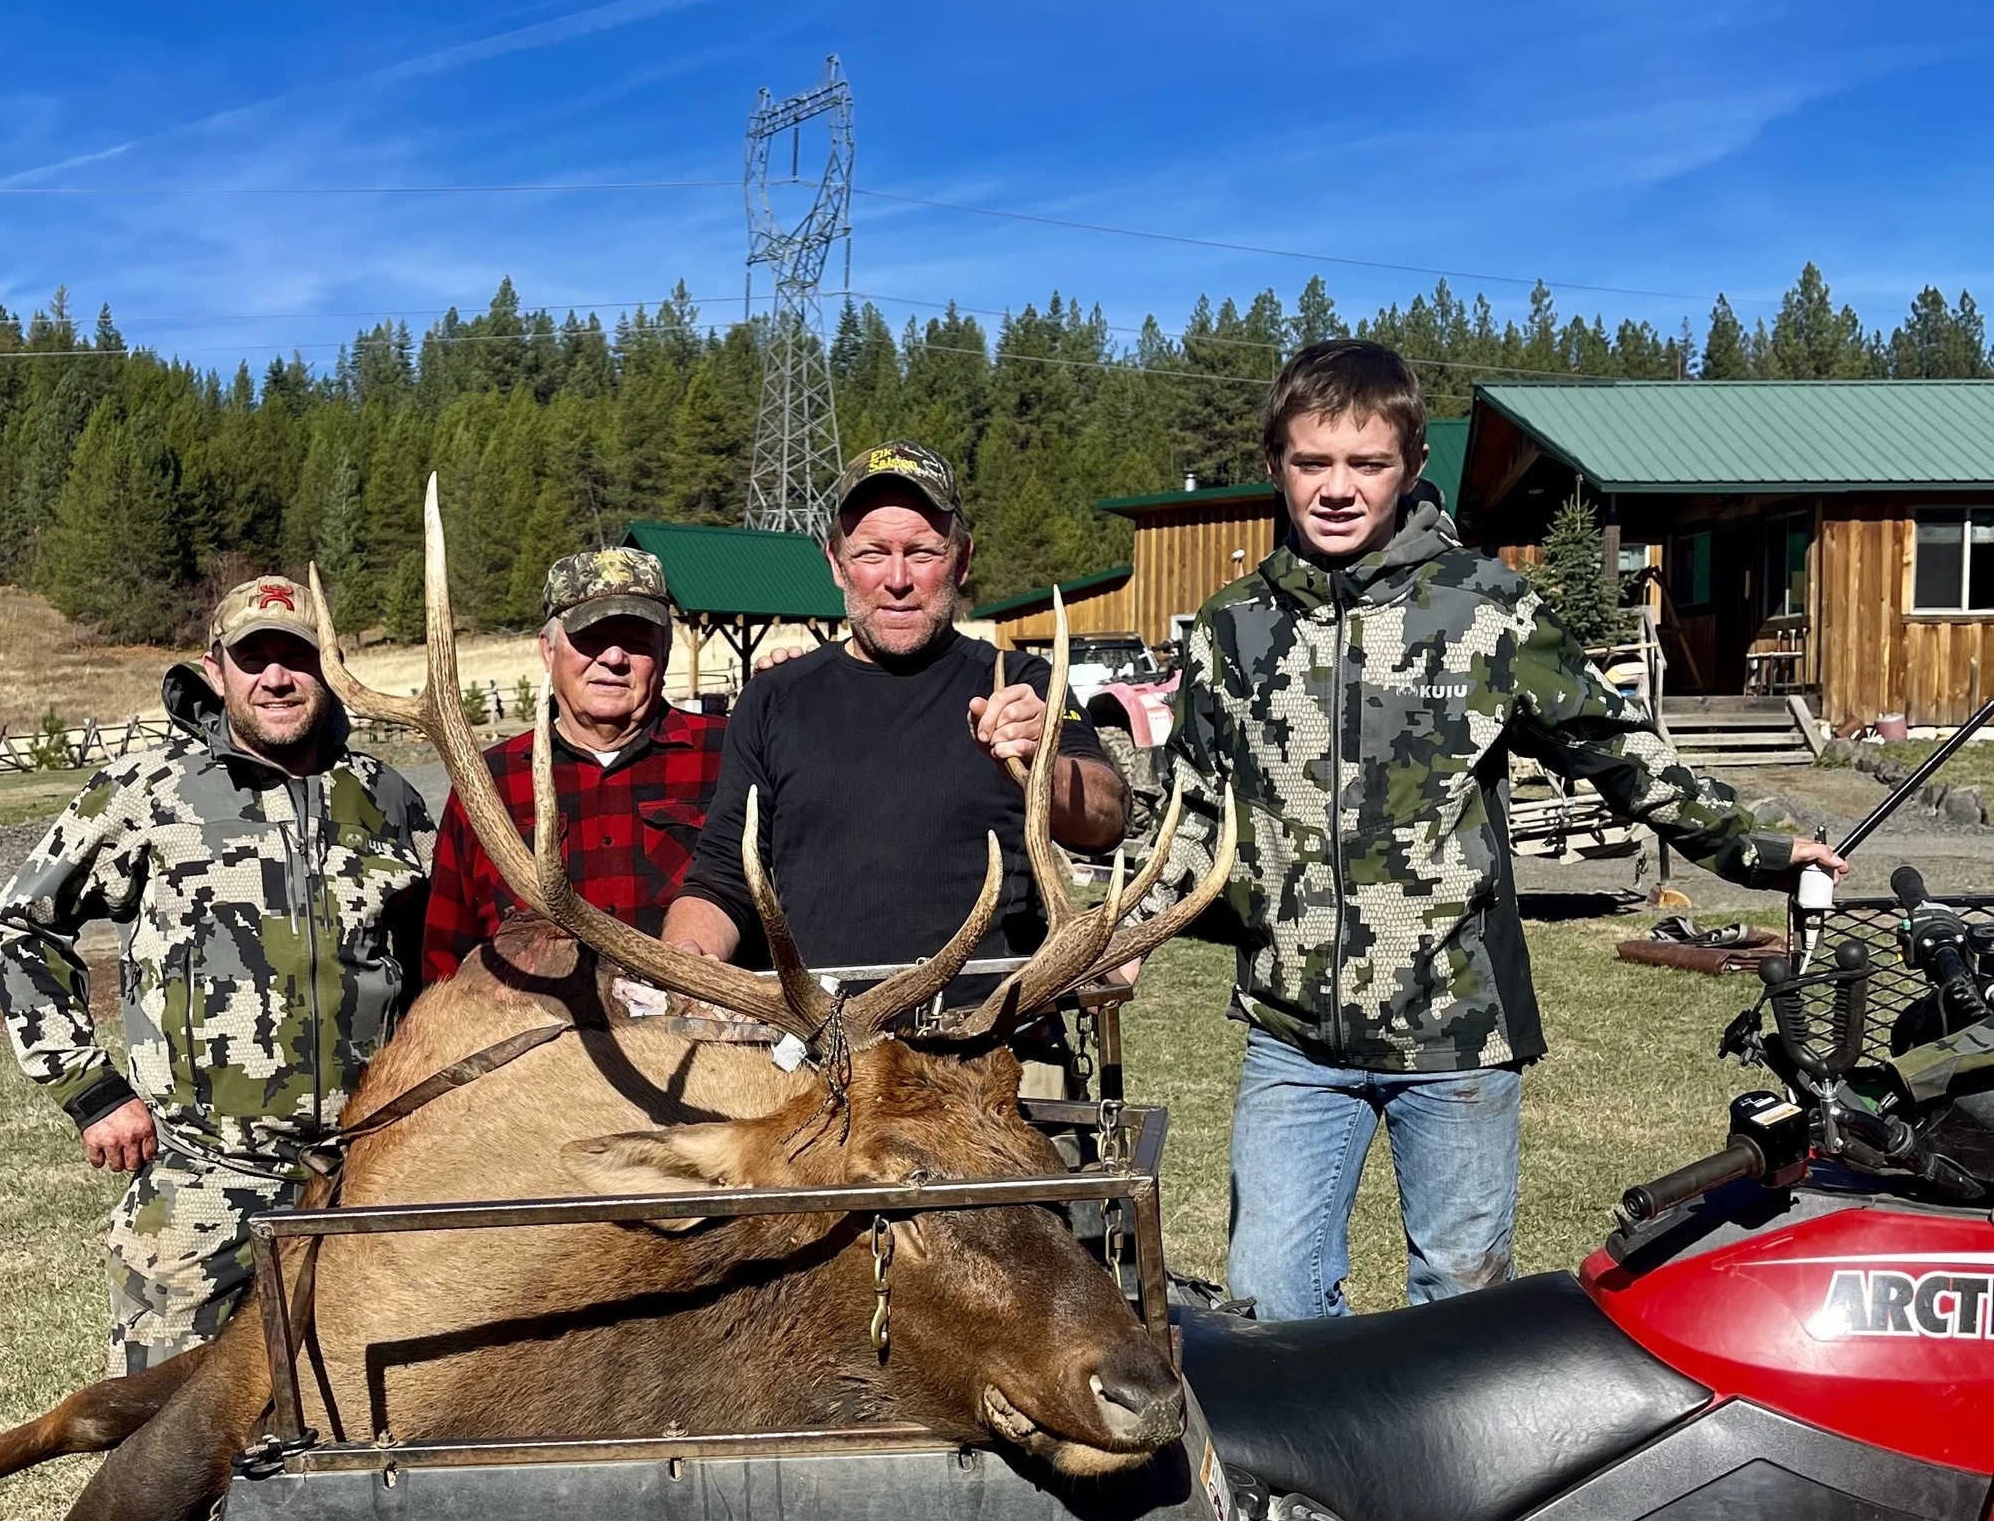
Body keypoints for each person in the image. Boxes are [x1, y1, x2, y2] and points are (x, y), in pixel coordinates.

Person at [1156, 340, 1847, 1320]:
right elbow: (1191, 809)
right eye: (1313, 461)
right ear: (1276, 464)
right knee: (1271, 1298)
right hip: (1293, 1037)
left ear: (1410, 466)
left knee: (1460, 1305)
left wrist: (1753, 848)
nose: (1338, 488)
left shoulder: (1486, 610)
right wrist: (1131, 930)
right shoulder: (1231, 627)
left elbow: (1616, 748)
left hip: (1457, 1032)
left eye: (1367, 463)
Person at [0, 568, 431, 1521]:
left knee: (357, 1432)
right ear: (218, 669)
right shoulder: (152, 793)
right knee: (160, 1453)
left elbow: (443, 963)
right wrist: (92, 1089)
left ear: (323, 664)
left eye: (297, 653)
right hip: (201, 1182)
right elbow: (20, 926)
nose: (278, 675)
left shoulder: (386, 801)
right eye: (254, 657)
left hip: (363, 1182)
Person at [665, 441, 1126, 978]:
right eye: (872, 553)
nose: (898, 580)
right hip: (825, 1026)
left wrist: (1041, 764)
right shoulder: (773, 698)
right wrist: (686, 957)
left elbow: (1107, 818)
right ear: (837, 564)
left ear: (962, 561)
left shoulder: (1022, 683)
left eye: (923, 552)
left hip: (991, 1021)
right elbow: (723, 874)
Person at [418, 546, 724, 982]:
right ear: (548, 650)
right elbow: (445, 960)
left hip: (696, 1019)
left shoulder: (729, 754)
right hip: (537, 1024)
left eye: (637, 640)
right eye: (591, 638)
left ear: (665, 652)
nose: (614, 658)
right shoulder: (487, 781)